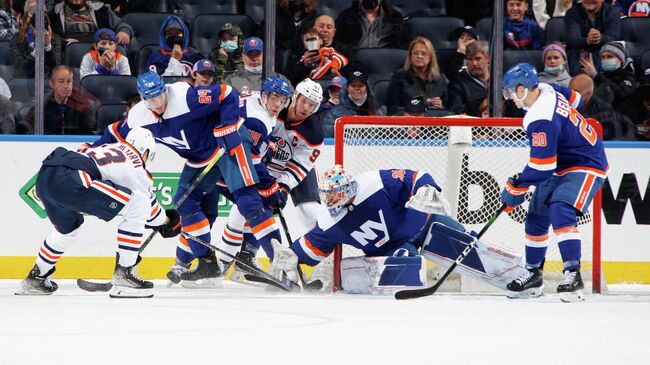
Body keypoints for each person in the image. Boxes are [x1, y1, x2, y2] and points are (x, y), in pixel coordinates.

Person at [93, 72, 285, 285]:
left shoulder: (186, 97)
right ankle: (207, 262)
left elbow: (227, 93)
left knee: (247, 200)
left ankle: (281, 265)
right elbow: (114, 133)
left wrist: (227, 125)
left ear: (165, 90)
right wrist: (89, 151)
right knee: (184, 204)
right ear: (142, 98)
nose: (157, 103)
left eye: (159, 95)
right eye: (150, 99)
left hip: (227, 143)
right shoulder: (139, 116)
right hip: (200, 158)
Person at [269, 165, 530, 293]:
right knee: (406, 265)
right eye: (327, 196)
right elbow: (313, 246)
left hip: (425, 223)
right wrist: (292, 256)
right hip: (397, 247)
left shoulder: (373, 182)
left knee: (464, 242)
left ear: (347, 188)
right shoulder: (329, 220)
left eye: (335, 195)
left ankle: (525, 278)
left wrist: (427, 189)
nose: (330, 201)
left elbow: (415, 177)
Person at [16, 127, 182, 298]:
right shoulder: (137, 166)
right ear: (146, 151)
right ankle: (125, 274)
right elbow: (151, 213)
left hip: (46, 175)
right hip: (72, 179)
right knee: (138, 203)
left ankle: (36, 277)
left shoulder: (107, 147)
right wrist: (170, 222)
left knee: (68, 229)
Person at [500, 63, 608, 302]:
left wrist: (516, 185)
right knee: (537, 215)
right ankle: (533, 275)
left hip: (586, 162)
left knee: (561, 209)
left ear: (521, 89)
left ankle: (573, 275)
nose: (510, 99)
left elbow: (542, 166)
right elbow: (577, 99)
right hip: (562, 162)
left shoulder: (540, 117)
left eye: (509, 92)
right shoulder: (549, 89)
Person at [218, 78, 326, 284]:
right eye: (304, 101)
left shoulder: (314, 133)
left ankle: (320, 265)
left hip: (294, 171)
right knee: (248, 209)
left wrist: (283, 187)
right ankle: (237, 260)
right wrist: (268, 183)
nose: (306, 108)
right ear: (295, 97)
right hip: (264, 167)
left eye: (312, 105)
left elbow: (300, 165)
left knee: (311, 213)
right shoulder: (275, 108)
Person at [387, 36, 448, 116]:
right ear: (410, 56)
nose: (419, 56)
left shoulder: (439, 78)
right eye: (415, 53)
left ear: (431, 57)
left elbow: (448, 107)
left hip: (433, 123)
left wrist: (440, 106)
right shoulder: (400, 76)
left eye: (423, 53)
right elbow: (392, 108)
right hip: (408, 121)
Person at [579, 41, 638, 119]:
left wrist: (595, 75)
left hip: (621, 120)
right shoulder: (600, 76)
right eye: (603, 57)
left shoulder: (628, 76)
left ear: (620, 60)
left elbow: (620, 93)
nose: (605, 59)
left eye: (609, 56)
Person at [321, 70, 384, 137]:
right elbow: (327, 137)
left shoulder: (380, 112)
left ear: (367, 88)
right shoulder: (334, 113)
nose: (356, 88)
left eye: (361, 85)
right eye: (353, 85)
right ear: (347, 88)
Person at [34, 65, 95, 134]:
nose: (66, 86)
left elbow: (87, 134)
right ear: (51, 84)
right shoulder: (41, 106)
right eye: (61, 81)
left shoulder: (82, 107)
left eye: (69, 81)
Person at [565, 0, 621, 76]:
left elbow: (614, 38)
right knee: (573, 53)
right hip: (578, 52)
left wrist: (600, 38)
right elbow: (573, 39)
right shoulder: (572, 12)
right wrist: (587, 40)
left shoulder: (613, 12)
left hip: (603, 51)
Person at [48, 0, 133, 45]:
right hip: (69, 52)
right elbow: (49, 36)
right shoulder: (55, 13)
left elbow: (121, 25)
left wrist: (124, 31)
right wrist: (63, 42)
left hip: (99, 48)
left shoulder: (101, 9)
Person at [335, 0, 410, 50]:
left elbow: (404, 43)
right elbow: (338, 43)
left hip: (386, 63)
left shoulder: (394, 17)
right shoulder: (346, 17)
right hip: (355, 63)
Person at [570, 74, 625, 140]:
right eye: (570, 91)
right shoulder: (564, 103)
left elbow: (612, 137)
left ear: (588, 94)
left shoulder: (604, 111)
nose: (571, 95)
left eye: (576, 92)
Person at [10, 10, 61, 78]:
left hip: (47, 82)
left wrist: (47, 47)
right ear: (29, 21)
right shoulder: (17, 39)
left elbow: (56, 70)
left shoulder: (55, 39)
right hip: (26, 80)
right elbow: (21, 70)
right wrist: (36, 51)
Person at [448, 40, 491, 117]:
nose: (474, 63)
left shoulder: (499, 80)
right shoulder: (458, 83)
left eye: (478, 59)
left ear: (487, 58)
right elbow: (457, 111)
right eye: (470, 59)